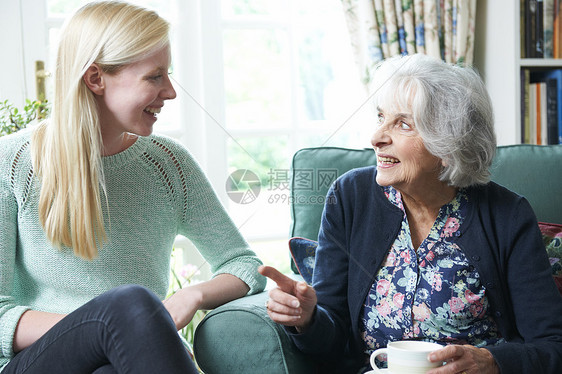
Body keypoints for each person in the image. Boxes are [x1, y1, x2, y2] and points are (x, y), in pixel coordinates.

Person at [0, 1, 265, 373]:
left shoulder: (168, 164)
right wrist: (115, 329)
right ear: (95, 79)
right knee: (126, 307)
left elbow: (243, 264)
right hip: (33, 362)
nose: (171, 91)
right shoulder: (13, 161)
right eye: (155, 76)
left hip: (120, 363)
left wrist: (193, 294)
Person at [259, 53, 562, 374]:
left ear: (448, 145)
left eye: (402, 124)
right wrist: (307, 318)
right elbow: (332, 336)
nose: (376, 138)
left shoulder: (507, 215)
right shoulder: (350, 197)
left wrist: (492, 362)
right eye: (380, 117)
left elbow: (552, 345)